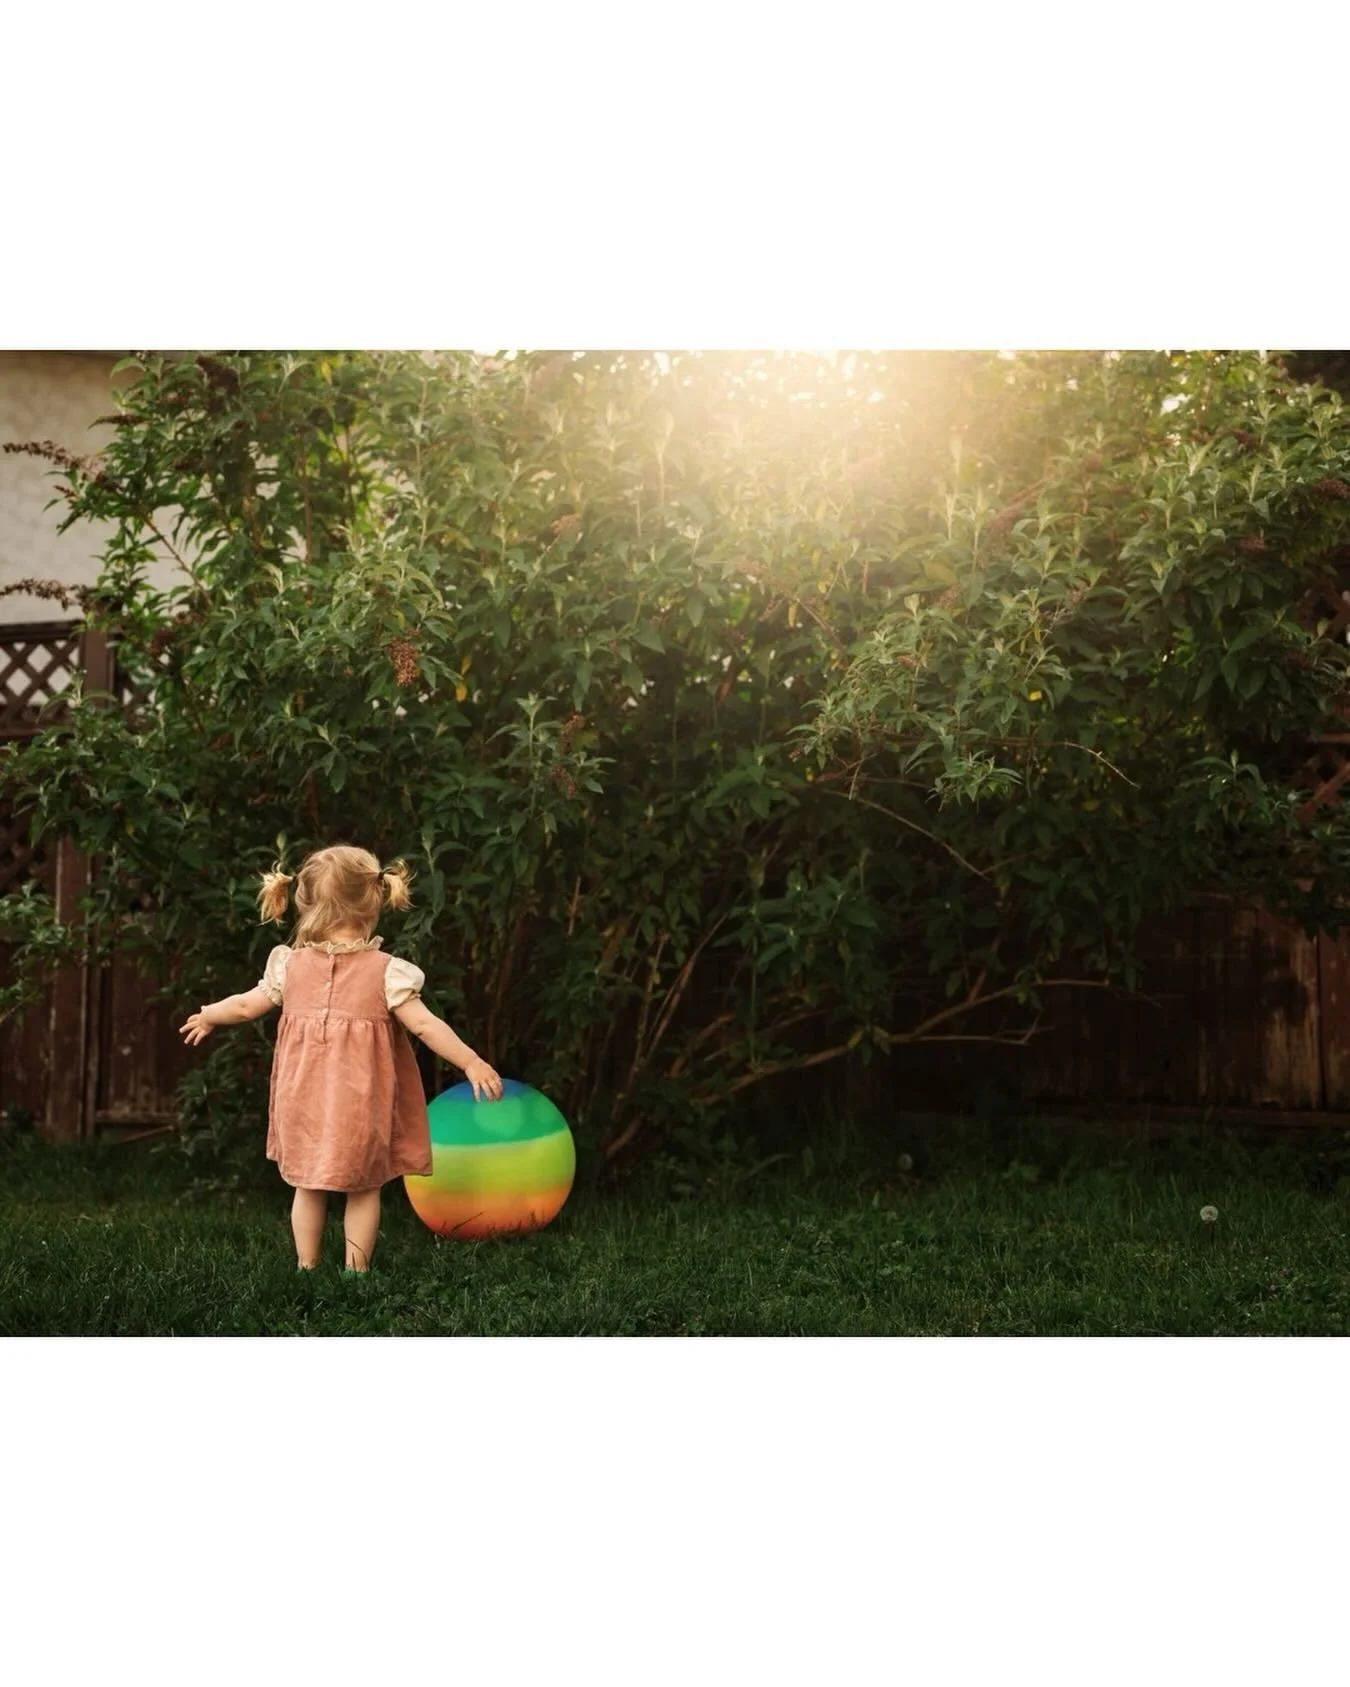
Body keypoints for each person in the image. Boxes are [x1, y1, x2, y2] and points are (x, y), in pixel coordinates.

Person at [178, 844, 503, 1275]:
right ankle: (355, 1272)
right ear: (372, 902)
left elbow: (244, 1006)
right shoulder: (386, 971)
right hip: (360, 1105)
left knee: (307, 1186)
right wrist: (471, 1060)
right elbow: (426, 1026)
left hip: (302, 1103)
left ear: (306, 904)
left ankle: (307, 1266)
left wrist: (209, 1015)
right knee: (363, 1189)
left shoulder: (290, 966)